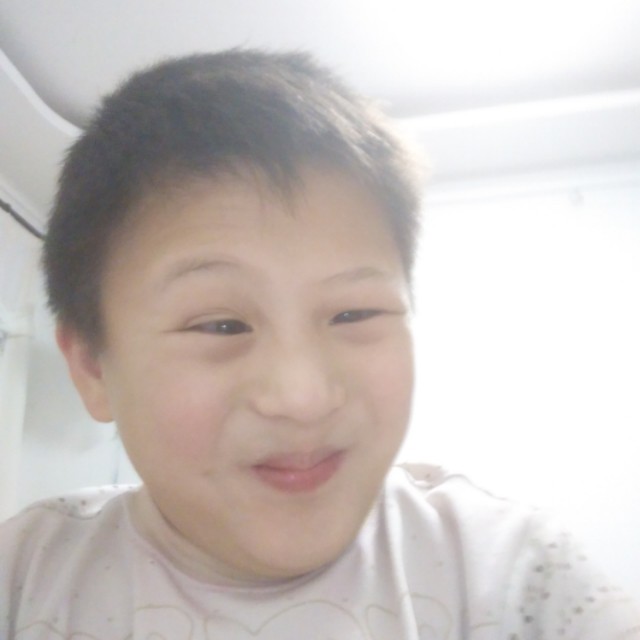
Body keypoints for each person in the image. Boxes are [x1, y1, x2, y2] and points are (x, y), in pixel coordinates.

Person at [0, 49, 638, 640]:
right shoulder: (26, 577)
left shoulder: (514, 574)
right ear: (92, 366)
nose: (303, 397)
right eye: (222, 326)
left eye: (354, 313)